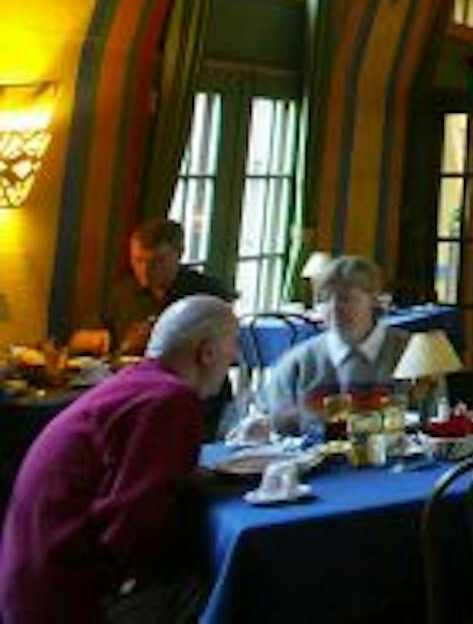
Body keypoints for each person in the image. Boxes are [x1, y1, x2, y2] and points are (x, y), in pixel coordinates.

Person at [1, 295, 240, 623]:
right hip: (64, 599)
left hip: (29, 583)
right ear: (207, 352)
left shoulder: (136, 382)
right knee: (224, 585)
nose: (234, 357)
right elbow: (133, 526)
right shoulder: (169, 400)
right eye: (232, 345)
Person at [260, 255, 412, 417]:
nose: (333, 309)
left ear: (374, 300)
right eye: (325, 300)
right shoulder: (298, 363)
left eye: (346, 299)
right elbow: (266, 417)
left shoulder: (410, 353)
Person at [106, 218, 235, 357]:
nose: (145, 270)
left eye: (157, 261)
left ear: (180, 254)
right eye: (139, 260)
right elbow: (96, 336)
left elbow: (226, 351)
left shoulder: (208, 293)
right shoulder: (123, 292)